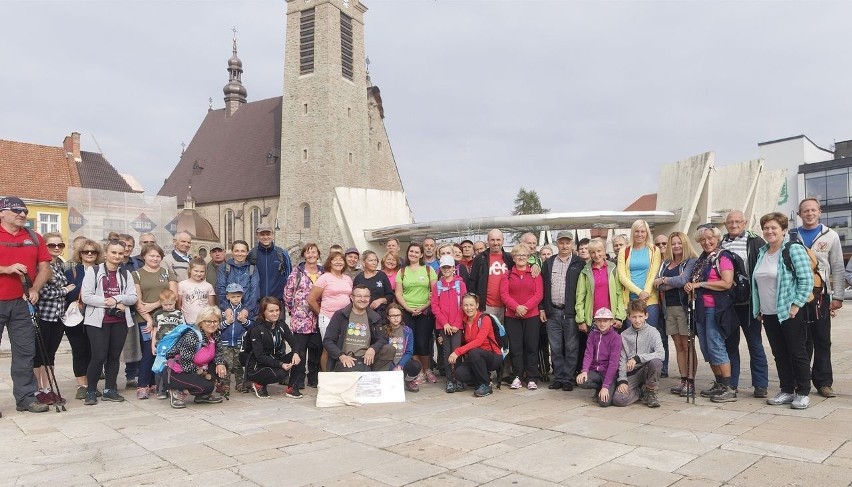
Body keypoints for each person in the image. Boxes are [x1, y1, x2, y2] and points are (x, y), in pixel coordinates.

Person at [753, 212, 814, 410]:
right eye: (766, 228)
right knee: (779, 353)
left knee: (797, 352)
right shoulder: (763, 251)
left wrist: (796, 305)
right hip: (769, 312)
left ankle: (803, 392)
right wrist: (759, 308)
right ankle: (787, 390)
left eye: (774, 228)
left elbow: (807, 280)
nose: (769, 231)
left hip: (789, 311)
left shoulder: (793, 249)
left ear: (783, 231)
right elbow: (758, 283)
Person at [0, 197, 52, 413]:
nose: (22, 214)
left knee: (25, 352)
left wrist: (34, 289)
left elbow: (45, 268)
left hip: (22, 304)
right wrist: (6, 268)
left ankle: (26, 398)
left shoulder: (34, 237)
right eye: (16, 210)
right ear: (2, 212)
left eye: (24, 211)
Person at [795, 198, 844, 398]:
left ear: (819, 212)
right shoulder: (792, 235)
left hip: (821, 296)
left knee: (822, 340)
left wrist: (838, 296)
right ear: (799, 214)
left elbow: (838, 266)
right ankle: (802, 380)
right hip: (797, 295)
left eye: (813, 210)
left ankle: (823, 382)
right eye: (805, 211)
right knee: (801, 341)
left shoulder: (830, 235)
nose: (809, 213)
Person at [684, 224, 738, 403]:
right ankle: (720, 384)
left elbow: (727, 283)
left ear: (717, 238)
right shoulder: (703, 259)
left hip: (716, 308)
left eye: (710, 238)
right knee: (707, 348)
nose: (707, 242)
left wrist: (700, 285)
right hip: (701, 308)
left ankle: (729, 387)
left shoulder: (723, 256)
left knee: (716, 345)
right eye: (703, 240)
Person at [81, 239, 139, 405]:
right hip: (98, 321)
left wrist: (117, 298)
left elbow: (132, 297)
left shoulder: (126, 274)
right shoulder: (94, 271)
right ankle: (91, 390)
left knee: (114, 356)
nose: (117, 256)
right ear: (106, 253)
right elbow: (86, 296)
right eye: (113, 252)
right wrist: (108, 302)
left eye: (120, 253)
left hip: (119, 320)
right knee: (98, 356)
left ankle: (110, 389)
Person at [720, 210, 769, 398]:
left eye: (737, 221)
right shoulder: (721, 242)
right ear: (726, 225)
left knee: (755, 344)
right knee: (730, 346)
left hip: (750, 304)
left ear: (745, 222)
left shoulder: (755, 241)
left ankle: (761, 385)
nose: (734, 225)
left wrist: (761, 303)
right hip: (729, 305)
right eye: (730, 222)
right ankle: (731, 383)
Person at [653, 232, 699, 397]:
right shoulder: (666, 263)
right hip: (669, 309)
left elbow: (683, 280)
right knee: (678, 346)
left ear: (685, 243)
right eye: (673, 244)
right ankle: (683, 379)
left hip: (683, 308)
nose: (676, 246)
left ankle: (691, 381)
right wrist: (671, 282)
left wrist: (665, 280)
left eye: (679, 243)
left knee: (688, 346)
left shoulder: (691, 261)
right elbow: (657, 286)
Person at [617, 220, 665, 376]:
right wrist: (638, 292)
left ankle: (654, 371)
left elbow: (653, 273)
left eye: (643, 231)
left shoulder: (654, 250)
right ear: (632, 232)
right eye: (637, 231)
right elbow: (622, 276)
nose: (640, 234)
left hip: (649, 300)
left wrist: (645, 292)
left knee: (650, 335)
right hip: (629, 300)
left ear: (647, 233)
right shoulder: (624, 251)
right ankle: (632, 370)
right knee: (631, 337)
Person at [540, 231, 585, 391]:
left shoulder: (579, 263)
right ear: (556, 243)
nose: (564, 245)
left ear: (572, 243)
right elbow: (542, 286)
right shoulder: (549, 262)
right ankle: (558, 377)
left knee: (572, 347)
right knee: (556, 347)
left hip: (571, 313)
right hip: (553, 312)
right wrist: (542, 308)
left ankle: (568, 378)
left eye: (567, 242)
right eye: (561, 242)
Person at [33, 232, 74, 405]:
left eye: (60, 245)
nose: (56, 248)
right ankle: (37, 390)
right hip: (43, 315)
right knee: (38, 355)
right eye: (52, 245)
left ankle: (48, 388)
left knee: (50, 355)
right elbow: (42, 291)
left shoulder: (59, 264)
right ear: (44, 246)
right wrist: (65, 291)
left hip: (58, 315)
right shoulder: (41, 265)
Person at [163, 306, 226, 408]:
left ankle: (201, 395)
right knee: (207, 386)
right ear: (201, 322)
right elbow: (185, 364)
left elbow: (219, 351)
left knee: (223, 366)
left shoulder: (215, 334)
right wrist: (204, 374)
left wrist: (220, 363)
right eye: (208, 321)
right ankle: (177, 392)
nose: (212, 324)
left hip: (198, 368)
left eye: (215, 321)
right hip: (177, 372)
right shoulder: (192, 336)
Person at [501, 244, 544, 390]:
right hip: (512, 316)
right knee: (516, 348)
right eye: (518, 255)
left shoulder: (534, 273)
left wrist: (525, 307)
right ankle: (517, 376)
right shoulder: (507, 275)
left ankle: (532, 377)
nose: (521, 258)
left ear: (528, 257)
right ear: (513, 258)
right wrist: (516, 307)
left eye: (524, 255)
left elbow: (538, 294)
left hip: (531, 315)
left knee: (531, 347)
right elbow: (504, 294)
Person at [395, 242, 438, 383]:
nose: (413, 254)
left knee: (423, 341)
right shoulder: (402, 272)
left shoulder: (428, 270)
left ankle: (427, 369)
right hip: (407, 311)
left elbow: (435, 292)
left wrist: (424, 306)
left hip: (425, 312)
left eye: (416, 252)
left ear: (421, 255)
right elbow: (398, 293)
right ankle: (418, 371)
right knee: (411, 343)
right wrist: (407, 308)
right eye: (411, 251)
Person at [283, 243, 323, 394]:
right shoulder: (297, 273)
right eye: (308, 252)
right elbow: (288, 293)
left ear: (318, 254)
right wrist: (293, 310)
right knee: (299, 350)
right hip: (301, 318)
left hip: (318, 316)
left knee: (316, 349)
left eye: (314, 252)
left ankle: (313, 378)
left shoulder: (323, 273)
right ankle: (298, 380)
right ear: (304, 255)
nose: (311, 255)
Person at [323, 285, 393, 372]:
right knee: (355, 374)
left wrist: (373, 349)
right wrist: (341, 356)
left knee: (389, 349)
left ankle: (377, 376)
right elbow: (328, 340)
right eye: (359, 296)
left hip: (366, 358)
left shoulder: (374, 317)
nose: (363, 299)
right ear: (352, 297)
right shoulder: (340, 315)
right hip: (346, 358)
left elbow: (383, 339)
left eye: (366, 296)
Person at [448, 293, 503, 398]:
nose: (468, 308)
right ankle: (484, 377)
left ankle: (485, 385)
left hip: (493, 356)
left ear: (477, 305)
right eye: (465, 305)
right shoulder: (464, 321)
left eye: (471, 305)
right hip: (476, 358)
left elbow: (479, 341)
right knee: (459, 373)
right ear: (462, 306)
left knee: (474, 352)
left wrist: (457, 351)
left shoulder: (484, 319)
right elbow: (465, 341)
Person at [65, 238, 100, 399]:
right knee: (79, 351)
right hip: (77, 317)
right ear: (80, 254)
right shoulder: (71, 272)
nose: (90, 254)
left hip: (96, 315)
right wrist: (86, 280)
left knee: (95, 352)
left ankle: (92, 384)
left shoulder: (102, 270)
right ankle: (82, 385)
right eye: (86, 251)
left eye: (93, 251)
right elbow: (69, 294)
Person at [612, 299, 665, 407]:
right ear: (629, 317)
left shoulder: (653, 332)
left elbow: (661, 354)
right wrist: (622, 380)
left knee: (656, 363)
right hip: (632, 373)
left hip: (646, 369)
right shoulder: (624, 335)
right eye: (634, 317)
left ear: (646, 315)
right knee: (619, 400)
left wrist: (638, 358)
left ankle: (650, 392)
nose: (637, 320)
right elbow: (621, 359)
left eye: (640, 316)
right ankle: (640, 392)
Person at [245, 297, 300, 398]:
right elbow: (259, 356)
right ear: (263, 312)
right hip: (258, 366)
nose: (275, 313)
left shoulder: (282, 325)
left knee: (299, 355)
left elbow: (294, 342)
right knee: (281, 374)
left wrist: (296, 352)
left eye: (277, 310)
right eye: (271, 311)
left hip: (275, 361)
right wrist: (280, 364)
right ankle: (258, 384)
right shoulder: (256, 329)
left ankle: (291, 388)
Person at [308, 250, 353, 371]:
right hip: (328, 317)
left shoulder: (348, 279)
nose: (338, 262)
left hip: (345, 318)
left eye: (341, 259)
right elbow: (311, 299)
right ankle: (326, 376)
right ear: (330, 262)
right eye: (335, 259)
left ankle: (340, 373)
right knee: (328, 348)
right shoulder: (324, 278)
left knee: (343, 346)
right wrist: (321, 313)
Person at [431, 255, 467, 392]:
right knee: (446, 352)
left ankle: (457, 377)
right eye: (444, 267)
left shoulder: (460, 284)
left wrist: (457, 324)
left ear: (453, 268)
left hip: (457, 325)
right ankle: (449, 379)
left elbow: (463, 305)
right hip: (443, 325)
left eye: (449, 267)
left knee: (456, 351)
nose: (446, 270)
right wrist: (445, 323)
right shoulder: (438, 286)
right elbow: (435, 306)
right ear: (440, 268)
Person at [576, 307, 622, 407]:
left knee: (604, 403)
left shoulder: (616, 338)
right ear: (595, 322)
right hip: (596, 371)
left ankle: (607, 387)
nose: (602, 324)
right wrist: (584, 371)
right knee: (581, 381)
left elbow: (613, 364)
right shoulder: (592, 335)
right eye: (599, 321)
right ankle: (599, 388)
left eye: (605, 321)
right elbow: (588, 354)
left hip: (609, 373)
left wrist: (606, 386)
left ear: (611, 322)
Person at [469, 229, 513, 321]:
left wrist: (535, 265)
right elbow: (473, 282)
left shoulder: (510, 258)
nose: (495, 243)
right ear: (488, 242)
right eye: (492, 240)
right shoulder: (480, 258)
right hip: (487, 307)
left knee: (504, 334)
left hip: (507, 307)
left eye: (498, 240)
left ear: (503, 241)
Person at [218, 283, 252, 396]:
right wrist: (226, 322)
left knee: (238, 364)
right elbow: (217, 326)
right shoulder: (223, 310)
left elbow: (252, 326)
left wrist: (244, 321)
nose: (236, 299)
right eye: (233, 296)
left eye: (238, 296)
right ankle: (225, 384)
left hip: (239, 342)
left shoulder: (244, 311)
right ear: (227, 297)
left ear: (242, 296)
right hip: (225, 342)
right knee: (227, 364)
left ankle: (240, 383)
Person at [150, 289, 184, 399]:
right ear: (160, 303)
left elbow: (183, 330)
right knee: (159, 367)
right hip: (161, 345)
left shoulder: (179, 314)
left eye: (170, 304)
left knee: (173, 366)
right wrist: (153, 345)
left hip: (175, 345)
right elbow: (155, 330)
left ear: (175, 301)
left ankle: (174, 388)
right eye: (165, 304)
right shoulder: (158, 314)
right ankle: (161, 390)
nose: (168, 307)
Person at [216, 240, 260, 321]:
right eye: (236, 251)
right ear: (232, 252)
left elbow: (255, 290)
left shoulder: (252, 269)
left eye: (243, 251)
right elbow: (221, 288)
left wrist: (247, 309)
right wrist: (226, 307)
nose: (239, 254)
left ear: (247, 253)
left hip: (248, 313)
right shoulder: (224, 268)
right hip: (228, 312)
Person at [384, 303, 421, 392]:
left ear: (401, 316)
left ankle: (408, 381)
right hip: (388, 363)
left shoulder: (407, 331)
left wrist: (400, 365)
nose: (395, 318)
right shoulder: (383, 330)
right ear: (388, 317)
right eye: (392, 316)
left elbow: (409, 352)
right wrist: (392, 366)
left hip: (402, 362)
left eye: (397, 315)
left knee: (416, 365)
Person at [251, 223, 292, 300]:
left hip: (277, 302)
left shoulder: (282, 254)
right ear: (257, 236)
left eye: (268, 234)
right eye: (262, 234)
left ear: (272, 235)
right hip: (257, 303)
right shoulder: (252, 254)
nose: (265, 237)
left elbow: (289, 279)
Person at [353, 250, 394, 317]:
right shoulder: (358, 278)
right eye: (371, 260)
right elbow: (354, 297)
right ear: (364, 262)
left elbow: (390, 295)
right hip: (363, 314)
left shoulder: (382, 275)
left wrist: (381, 300)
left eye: (375, 260)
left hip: (381, 314)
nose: (374, 263)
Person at [178, 257, 216, 325]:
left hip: (204, 322)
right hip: (188, 322)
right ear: (190, 270)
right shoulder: (182, 285)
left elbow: (211, 306)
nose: (199, 274)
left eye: (202, 271)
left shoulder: (208, 286)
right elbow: (178, 305)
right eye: (196, 271)